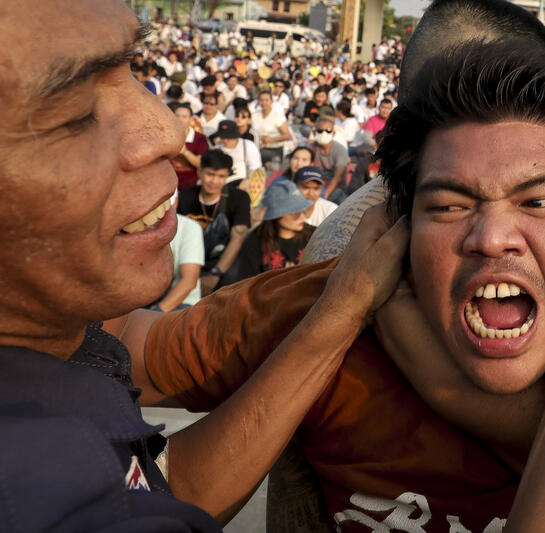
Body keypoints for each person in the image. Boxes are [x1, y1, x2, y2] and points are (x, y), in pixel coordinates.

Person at [140, 33, 545, 530]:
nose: (491, 237)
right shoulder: (325, 304)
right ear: (395, 226)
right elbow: (117, 349)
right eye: (450, 204)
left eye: (540, 202)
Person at [0, 0, 411, 529]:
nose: (168, 131)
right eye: (77, 108)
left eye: (134, 71)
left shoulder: (58, 338)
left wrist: (332, 312)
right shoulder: (38, 498)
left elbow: (172, 485)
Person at [177, 150, 251, 293]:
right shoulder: (185, 197)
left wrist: (215, 273)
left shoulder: (238, 198)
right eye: (210, 174)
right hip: (189, 261)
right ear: (199, 172)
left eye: (221, 176)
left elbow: (237, 239)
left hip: (222, 262)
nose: (215, 181)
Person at [223, 180, 316, 285]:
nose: (301, 216)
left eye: (302, 209)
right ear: (276, 216)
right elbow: (248, 287)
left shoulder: (315, 235)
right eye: (294, 212)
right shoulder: (254, 243)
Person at [149, 213, 204, 312]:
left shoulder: (189, 227)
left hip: (181, 303)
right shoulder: (133, 225)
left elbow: (189, 281)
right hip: (144, 303)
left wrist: (155, 313)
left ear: (176, 202)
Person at [169, 102, 210, 191]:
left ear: (191, 119)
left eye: (184, 117)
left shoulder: (200, 138)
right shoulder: (166, 136)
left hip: (191, 184)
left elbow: (201, 163)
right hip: (167, 181)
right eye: (177, 116)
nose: (180, 119)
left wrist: (185, 152)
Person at [311, 115, 349, 204]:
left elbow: (338, 177)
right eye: (320, 131)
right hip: (314, 185)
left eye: (328, 131)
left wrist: (324, 196)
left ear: (333, 133)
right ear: (315, 132)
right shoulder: (310, 148)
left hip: (336, 188)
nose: (324, 134)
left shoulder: (340, 149)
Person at [210, 120, 262, 185]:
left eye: (229, 137)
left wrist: (248, 181)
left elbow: (256, 170)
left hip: (245, 183)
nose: (225, 140)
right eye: (223, 137)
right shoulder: (215, 149)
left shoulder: (248, 146)